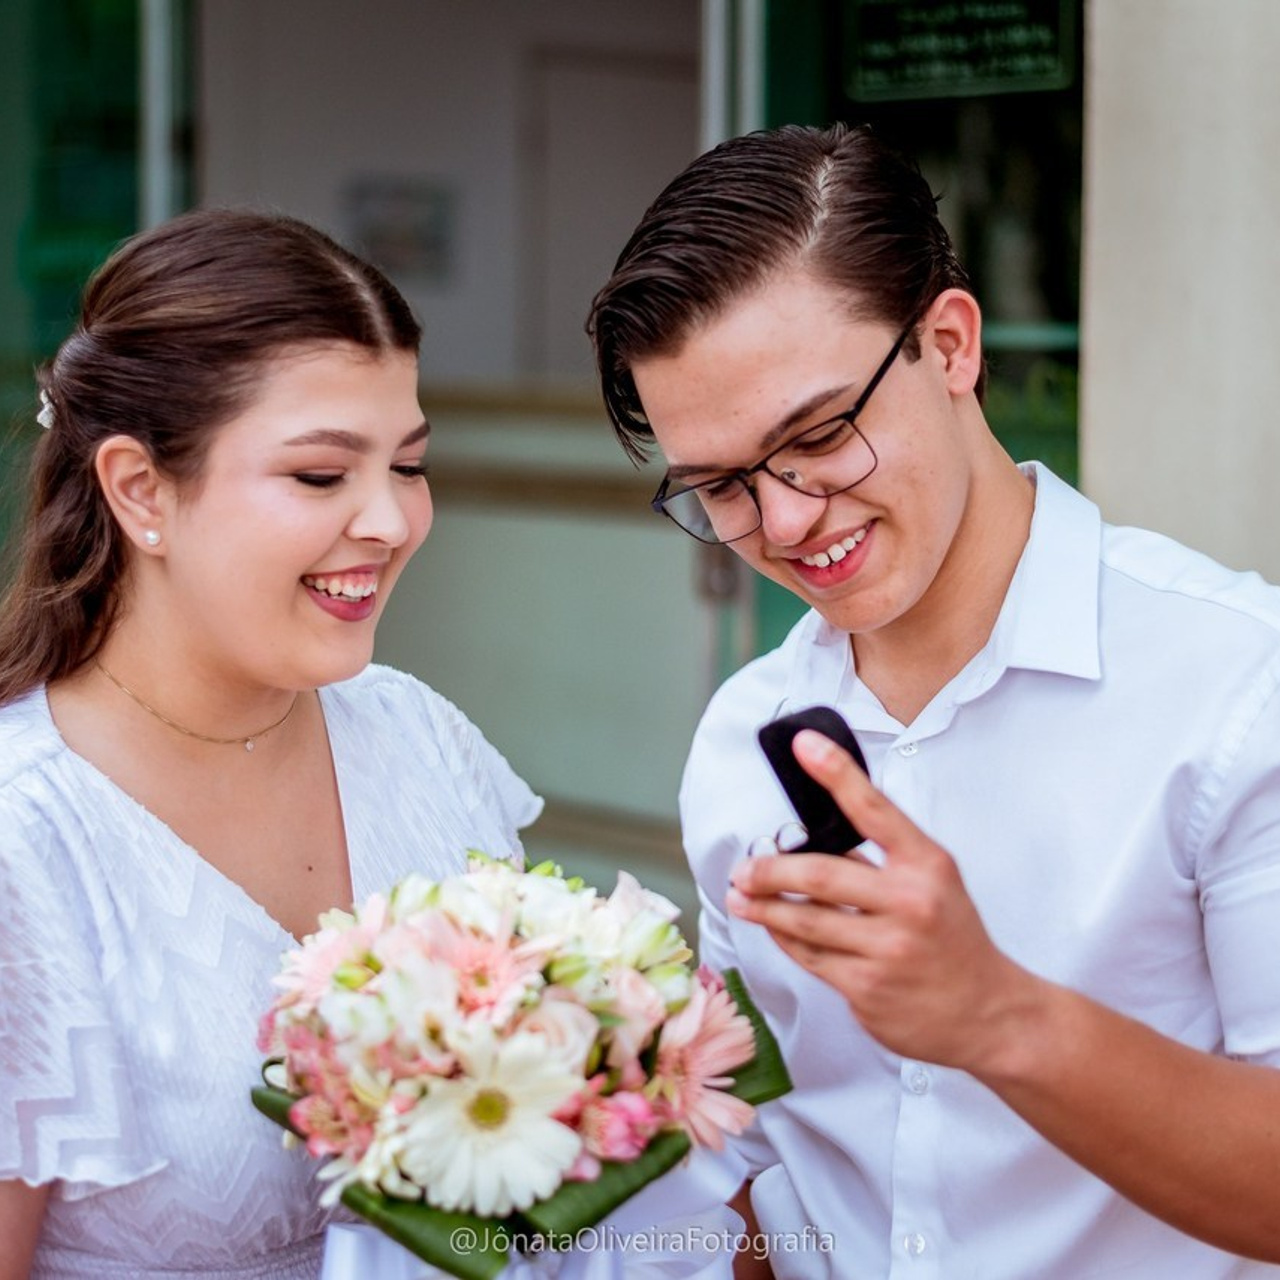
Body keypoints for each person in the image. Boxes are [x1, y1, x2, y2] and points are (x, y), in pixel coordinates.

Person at [586, 122, 1280, 1278]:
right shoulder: (740, 736)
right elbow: (770, 1167)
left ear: (948, 344)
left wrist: (1000, 1015)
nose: (788, 520)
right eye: (719, 486)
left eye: (817, 435)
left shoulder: (1238, 686)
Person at [0, 209, 541, 1279]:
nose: (390, 521)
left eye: (410, 463)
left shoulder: (416, 735)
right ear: (140, 489)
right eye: (320, 474)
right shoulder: (25, 835)